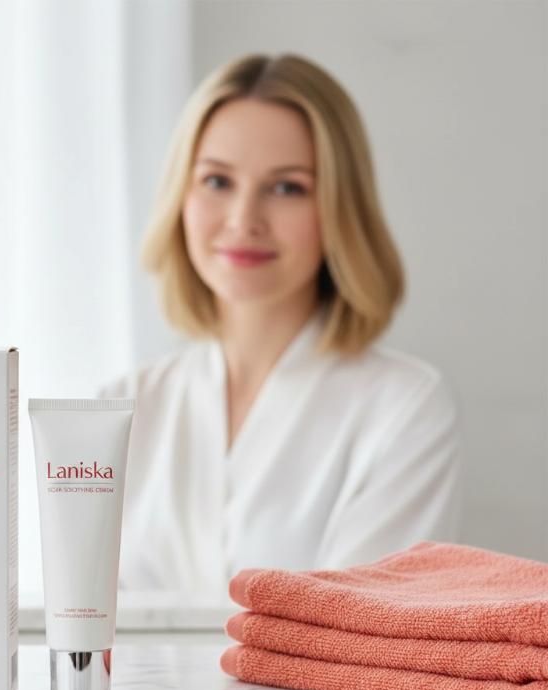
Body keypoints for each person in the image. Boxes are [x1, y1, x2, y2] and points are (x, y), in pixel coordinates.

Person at [98, 53, 463, 596]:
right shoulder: (121, 408)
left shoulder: (404, 408)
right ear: (180, 197)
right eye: (217, 180)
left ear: (340, 208)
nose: (244, 219)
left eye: (288, 187)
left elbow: (363, 628)